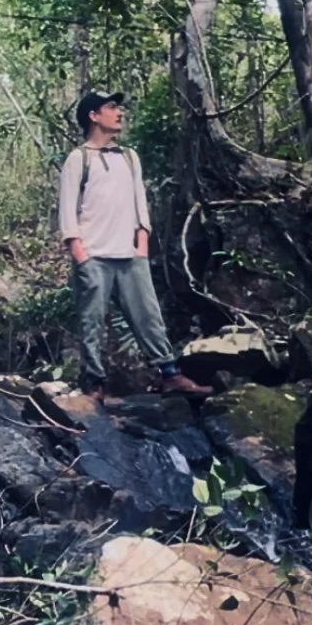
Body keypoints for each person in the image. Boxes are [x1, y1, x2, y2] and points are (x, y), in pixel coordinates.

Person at [58, 89, 211, 401]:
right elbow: (67, 210)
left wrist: (142, 244)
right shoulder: (78, 159)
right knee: (91, 322)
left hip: (130, 256)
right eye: (112, 107)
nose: (120, 112)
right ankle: (94, 385)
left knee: (149, 316)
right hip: (94, 256)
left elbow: (140, 202)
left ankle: (169, 374)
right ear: (93, 116)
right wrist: (80, 255)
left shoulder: (129, 157)